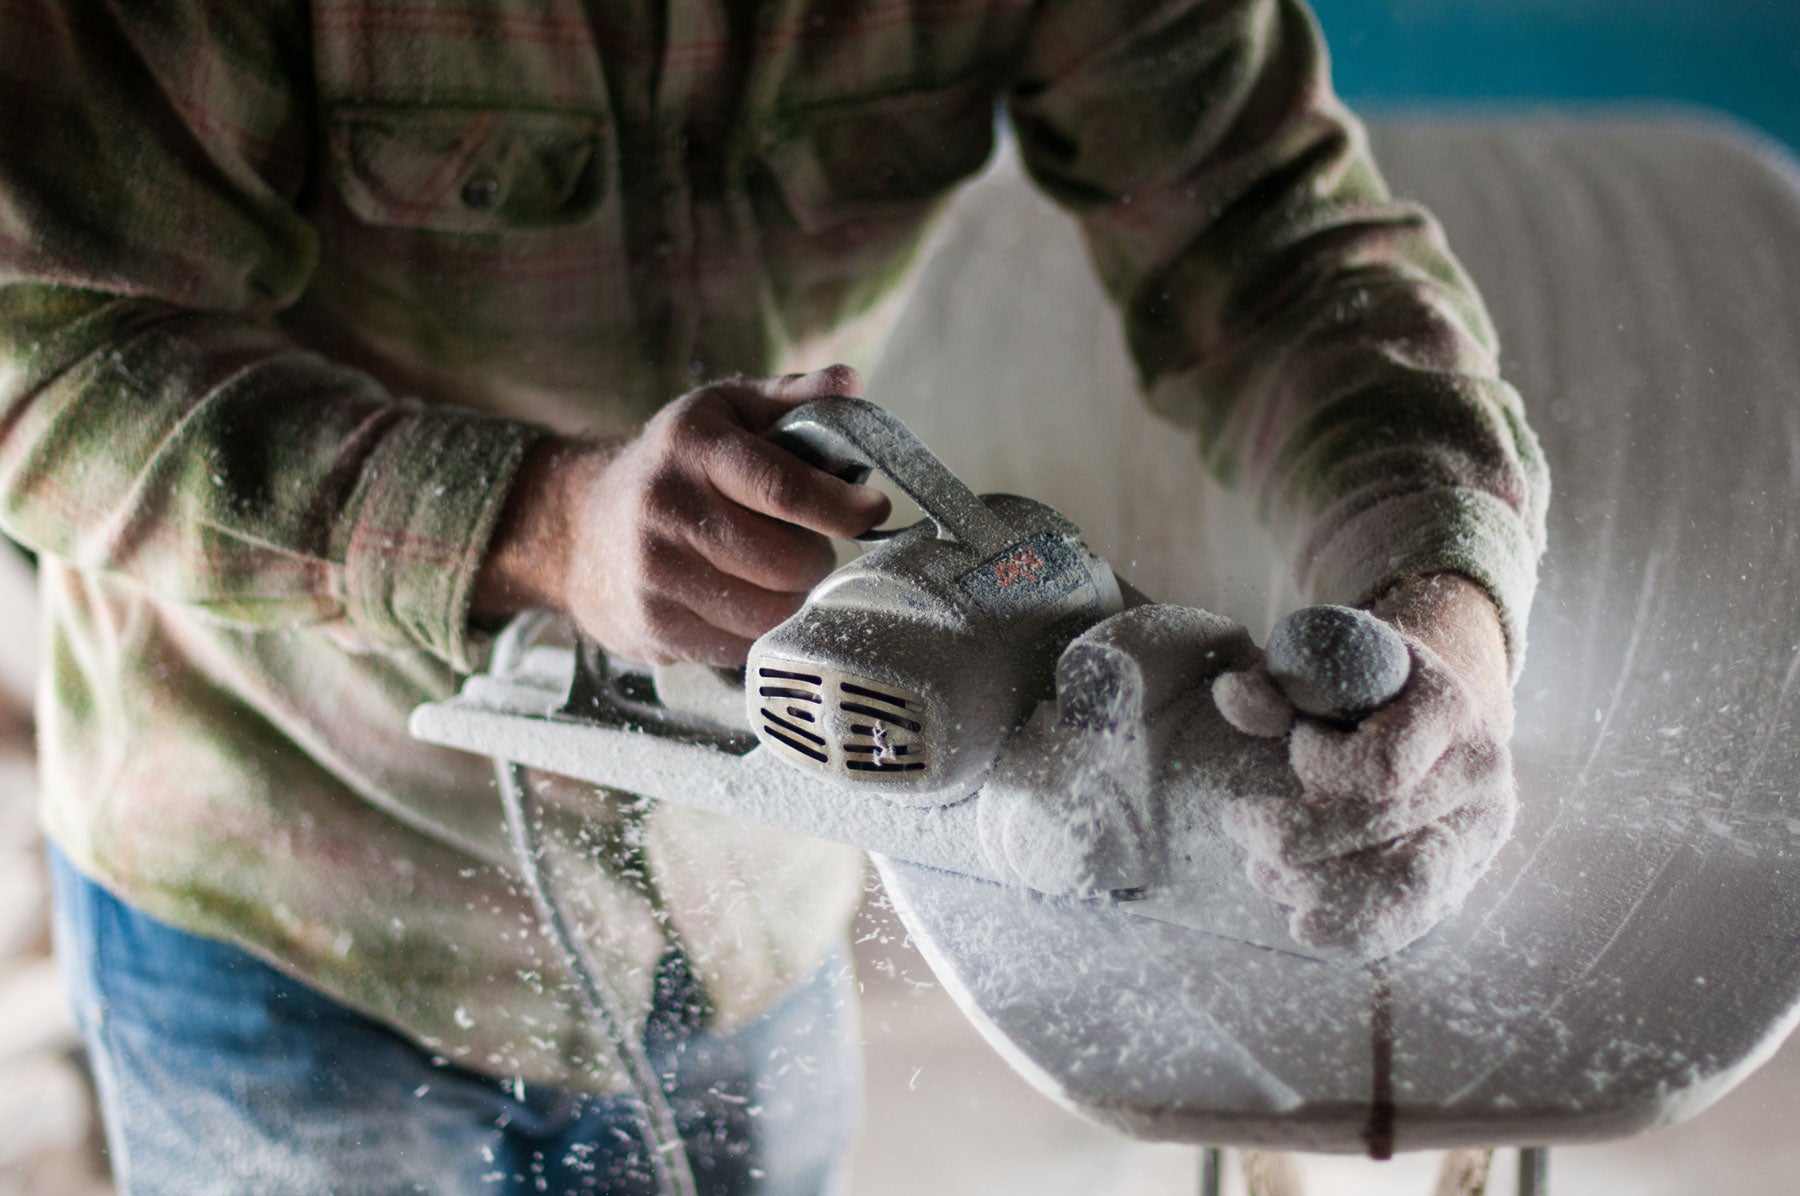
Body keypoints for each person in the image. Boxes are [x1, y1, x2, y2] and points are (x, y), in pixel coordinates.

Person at [0, 0, 1547, 1191]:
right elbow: (43, 349)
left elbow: (1281, 248)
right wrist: (542, 523)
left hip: (748, 877)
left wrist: (1438, 620)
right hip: (296, 887)